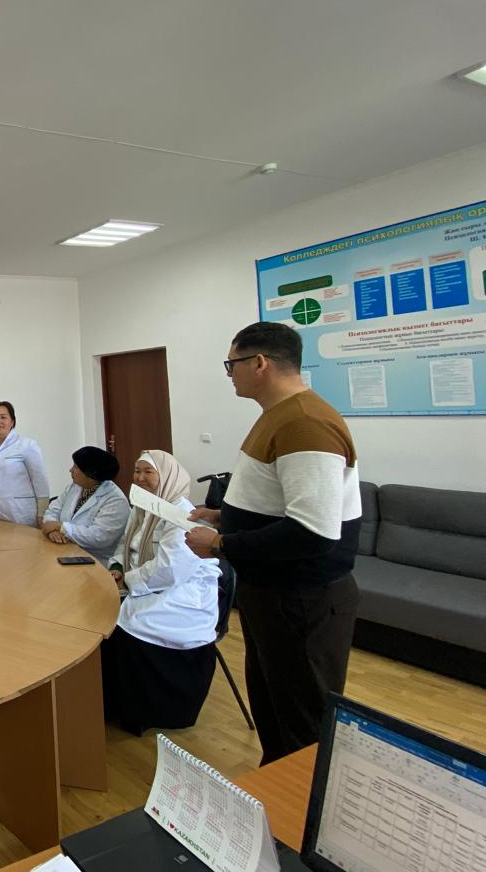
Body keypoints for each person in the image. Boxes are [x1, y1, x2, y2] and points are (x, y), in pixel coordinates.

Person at [185, 321, 361, 765]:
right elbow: (281, 502)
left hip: (301, 601)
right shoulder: (279, 414)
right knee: (274, 711)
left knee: (302, 728)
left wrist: (221, 544)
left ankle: (298, 805)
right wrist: (223, 516)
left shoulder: (304, 422)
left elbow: (313, 531)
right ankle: (276, 796)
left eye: (232, 365)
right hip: (273, 596)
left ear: (259, 363)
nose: (230, 374)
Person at [102, 451, 220, 736]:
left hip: (182, 592)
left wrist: (127, 581)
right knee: (104, 614)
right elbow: (125, 545)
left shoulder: (181, 514)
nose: (140, 478)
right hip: (146, 583)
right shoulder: (143, 506)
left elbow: (170, 569)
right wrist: (117, 567)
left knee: (130, 622)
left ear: (166, 476)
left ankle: (143, 711)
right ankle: (113, 702)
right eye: (137, 471)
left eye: (148, 472)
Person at [41, 446, 131, 564]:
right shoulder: (75, 487)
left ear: (90, 474)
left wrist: (61, 527)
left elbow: (99, 537)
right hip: (64, 550)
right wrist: (52, 531)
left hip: (94, 561)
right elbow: (53, 511)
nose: (70, 470)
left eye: (76, 467)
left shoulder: (116, 500)